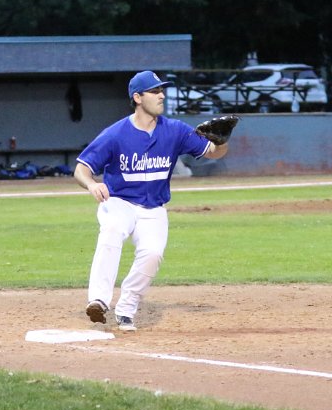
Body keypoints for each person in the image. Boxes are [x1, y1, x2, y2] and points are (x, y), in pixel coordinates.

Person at [75, 70, 230, 331]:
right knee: (112, 231)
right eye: (155, 91)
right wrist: (91, 184)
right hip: (119, 201)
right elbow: (81, 169)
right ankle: (98, 300)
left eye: (162, 90)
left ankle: (126, 309)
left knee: (153, 254)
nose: (161, 95)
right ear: (137, 97)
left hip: (154, 206)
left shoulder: (175, 130)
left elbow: (213, 152)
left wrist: (222, 141)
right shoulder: (115, 134)